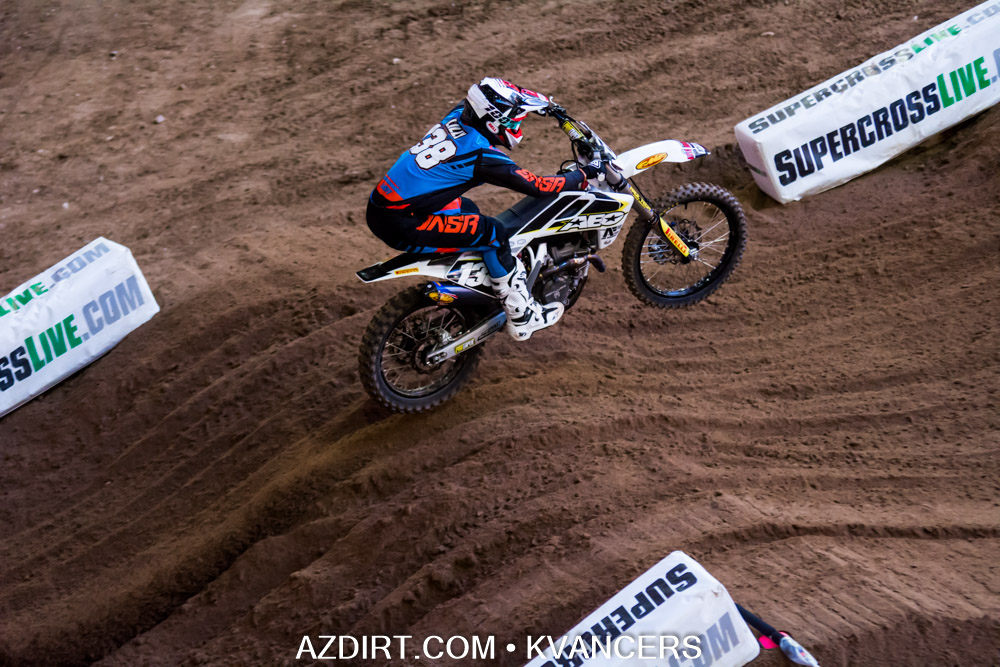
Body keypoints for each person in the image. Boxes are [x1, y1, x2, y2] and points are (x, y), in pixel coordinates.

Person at [366, 77, 603, 341]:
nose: (516, 125)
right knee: (494, 233)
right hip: (404, 224)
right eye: (513, 121)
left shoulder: (458, 115)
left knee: (469, 210)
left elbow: (491, 94)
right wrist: (584, 173)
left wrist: (543, 104)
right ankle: (521, 314)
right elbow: (539, 186)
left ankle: (482, 284)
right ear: (493, 122)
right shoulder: (481, 155)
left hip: (385, 208)